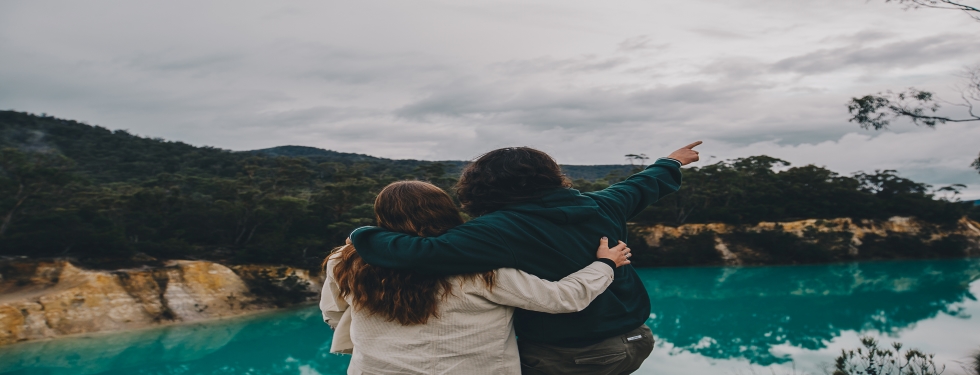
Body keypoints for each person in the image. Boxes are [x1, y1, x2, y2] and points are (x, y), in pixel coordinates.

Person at [349, 142, 701, 375]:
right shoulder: (604, 203)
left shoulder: (496, 229)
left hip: (566, 357)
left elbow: (420, 253)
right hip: (635, 343)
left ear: (480, 187)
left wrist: (361, 234)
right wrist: (671, 161)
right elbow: (645, 184)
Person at [320, 180, 633, 375]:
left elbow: (334, 313)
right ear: (448, 211)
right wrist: (604, 264)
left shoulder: (344, 262)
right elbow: (561, 298)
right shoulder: (482, 268)